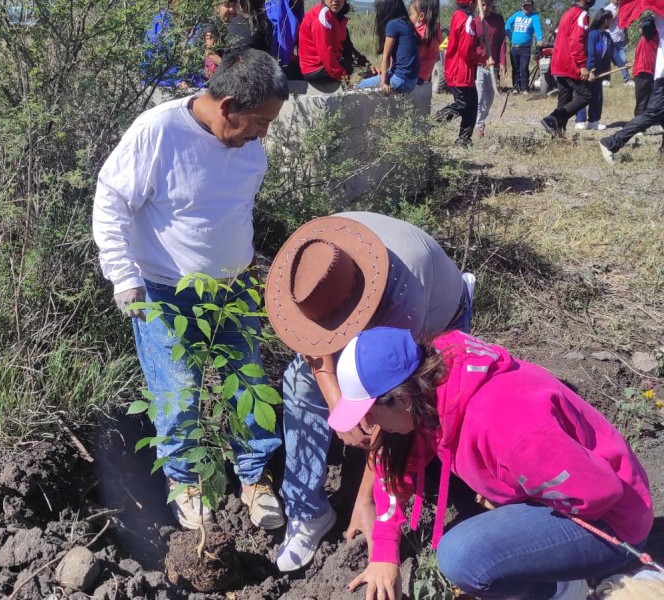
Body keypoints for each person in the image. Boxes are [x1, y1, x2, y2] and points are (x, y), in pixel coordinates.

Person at [93, 49, 289, 531]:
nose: (264, 133)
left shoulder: (247, 145)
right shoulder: (157, 132)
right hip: (165, 292)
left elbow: (228, 210)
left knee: (248, 384)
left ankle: (254, 477)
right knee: (177, 392)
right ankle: (185, 481)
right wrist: (124, 277)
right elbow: (111, 200)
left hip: (234, 290)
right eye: (260, 121)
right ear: (227, 106)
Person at [329, 327, 653, 600]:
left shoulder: (503, 424)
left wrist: (511, 499)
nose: (368, 424)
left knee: (464, 557)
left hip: (612, 522)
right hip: (568, 489)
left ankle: (562, 590)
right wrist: (384, 551)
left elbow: (597, 494)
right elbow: (393, 460)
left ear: (400, 398)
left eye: (370, 412)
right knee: (409, 447)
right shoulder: (433, 384)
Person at [264, 213, 475, 572]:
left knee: (414, 410)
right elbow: (312, 342)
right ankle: (309, 512)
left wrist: (367, 501)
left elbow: (392, 403)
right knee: (300, 380)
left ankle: (380, 494)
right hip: (358, 310)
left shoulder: (402, 295)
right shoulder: (315, 260)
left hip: (438, 319)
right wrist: (335, 401)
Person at [599, 12, 664, 163]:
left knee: (655, 113)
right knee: (651, 114)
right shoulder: (657, 23)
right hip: (658, 76)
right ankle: (611, 142)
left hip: (656, 74)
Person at [540, 0, 593, 138]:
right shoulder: (581, 14)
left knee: (564, 100)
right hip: (569, 64)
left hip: (559, 63)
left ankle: (557, 134)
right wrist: (582, 65)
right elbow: (577, 41)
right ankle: (552, 119)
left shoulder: (568, 13)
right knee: (585, 96)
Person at [434, 0, 479, 146]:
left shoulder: (460, 15)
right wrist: (481, 53)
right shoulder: (466, 19)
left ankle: (464, 139)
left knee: (471, 106)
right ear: (471, 2)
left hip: (463, 70)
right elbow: (466, 50)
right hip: (460, 70)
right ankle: (432, 123)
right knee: (463, 105)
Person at [298, 0, 375, 84]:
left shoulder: (337, 16)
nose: (335, 1)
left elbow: (348, 48)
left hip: (331, 63)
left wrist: (368, 65)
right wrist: (344, 76)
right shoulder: (321, 16)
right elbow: (325, 52)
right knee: (362, 77)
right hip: (316, 68)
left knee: (366, 72)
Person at [357, 0, 420, 94]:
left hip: (400, 80)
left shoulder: (392, 24)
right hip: (412, 80)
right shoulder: (407, 24)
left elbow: (386, 57)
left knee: (358, 86)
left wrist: (384, 82)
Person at [574, 9, 613, 131]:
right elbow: (590, 52)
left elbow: (613, 53)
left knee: (597, 96)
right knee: (584, 95)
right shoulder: (592, 34)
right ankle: (580, 120)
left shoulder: (607, 36)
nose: (612, 23)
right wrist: (591, 69)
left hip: (600, 71)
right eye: (611, 20)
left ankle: (593, 121)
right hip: (589, 70)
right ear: (605, 21)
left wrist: (624, 63)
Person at [474, 0, 506, 136]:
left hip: (494, 67)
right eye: (483, 5)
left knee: (489, 99)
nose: (486, 7)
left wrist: (503, 62)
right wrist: (484, 57)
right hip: (479, 66)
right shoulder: (475, 21)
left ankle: (480, 121)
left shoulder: (498, 20)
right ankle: (479, 127)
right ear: (477, 5)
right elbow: (472, 46)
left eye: (488, 4)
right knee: (480, 97)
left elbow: (502, 41)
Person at [408, 0, 442, 115]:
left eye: (411, 14)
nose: (409, 17)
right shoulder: (435, 29)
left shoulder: (422, 33)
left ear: (421, 15)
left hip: (413, 78)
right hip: (424, 78)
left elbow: (411, 58)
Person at [505, 0, 543, 94]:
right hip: (514, 47)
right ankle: (515, 87)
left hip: (525, 48)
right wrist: (510, 35)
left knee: (524, 67)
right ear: (522, 6)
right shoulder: (516, 15)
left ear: (532, 6)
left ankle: (524, 88)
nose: (526, 8)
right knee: (515, 68)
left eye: (528, 6)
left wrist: (540, 39)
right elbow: (507, 24)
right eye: (525, 6)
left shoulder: (534, 17)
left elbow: (537, 29)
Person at [632, 15, 659, 116]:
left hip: (644, 71)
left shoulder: (650, 35)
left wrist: (648, 19)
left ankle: (639, 124)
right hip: (645, 70)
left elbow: (647, 25)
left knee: (642, 99)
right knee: (647, 99)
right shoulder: (648, 37)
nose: (639, 29)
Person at [204, 0, 239, 76]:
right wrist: (228, 68)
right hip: (220, 76)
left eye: (234, 5)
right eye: (227, 5)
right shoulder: (212, 26)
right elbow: (209, 52)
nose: (232, 9)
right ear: (217, 7)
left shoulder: (236, 24)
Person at [604, 0, 633, 86]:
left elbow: (624, 22)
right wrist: (618, 11)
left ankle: (627, 79)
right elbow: (608, 21)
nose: (618, 0)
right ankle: (606, 80)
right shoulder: (607, 9)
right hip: (611, 38)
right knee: (607, 60)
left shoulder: (622, 8)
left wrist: (626, 35)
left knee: (623, 59)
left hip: (621, 38)